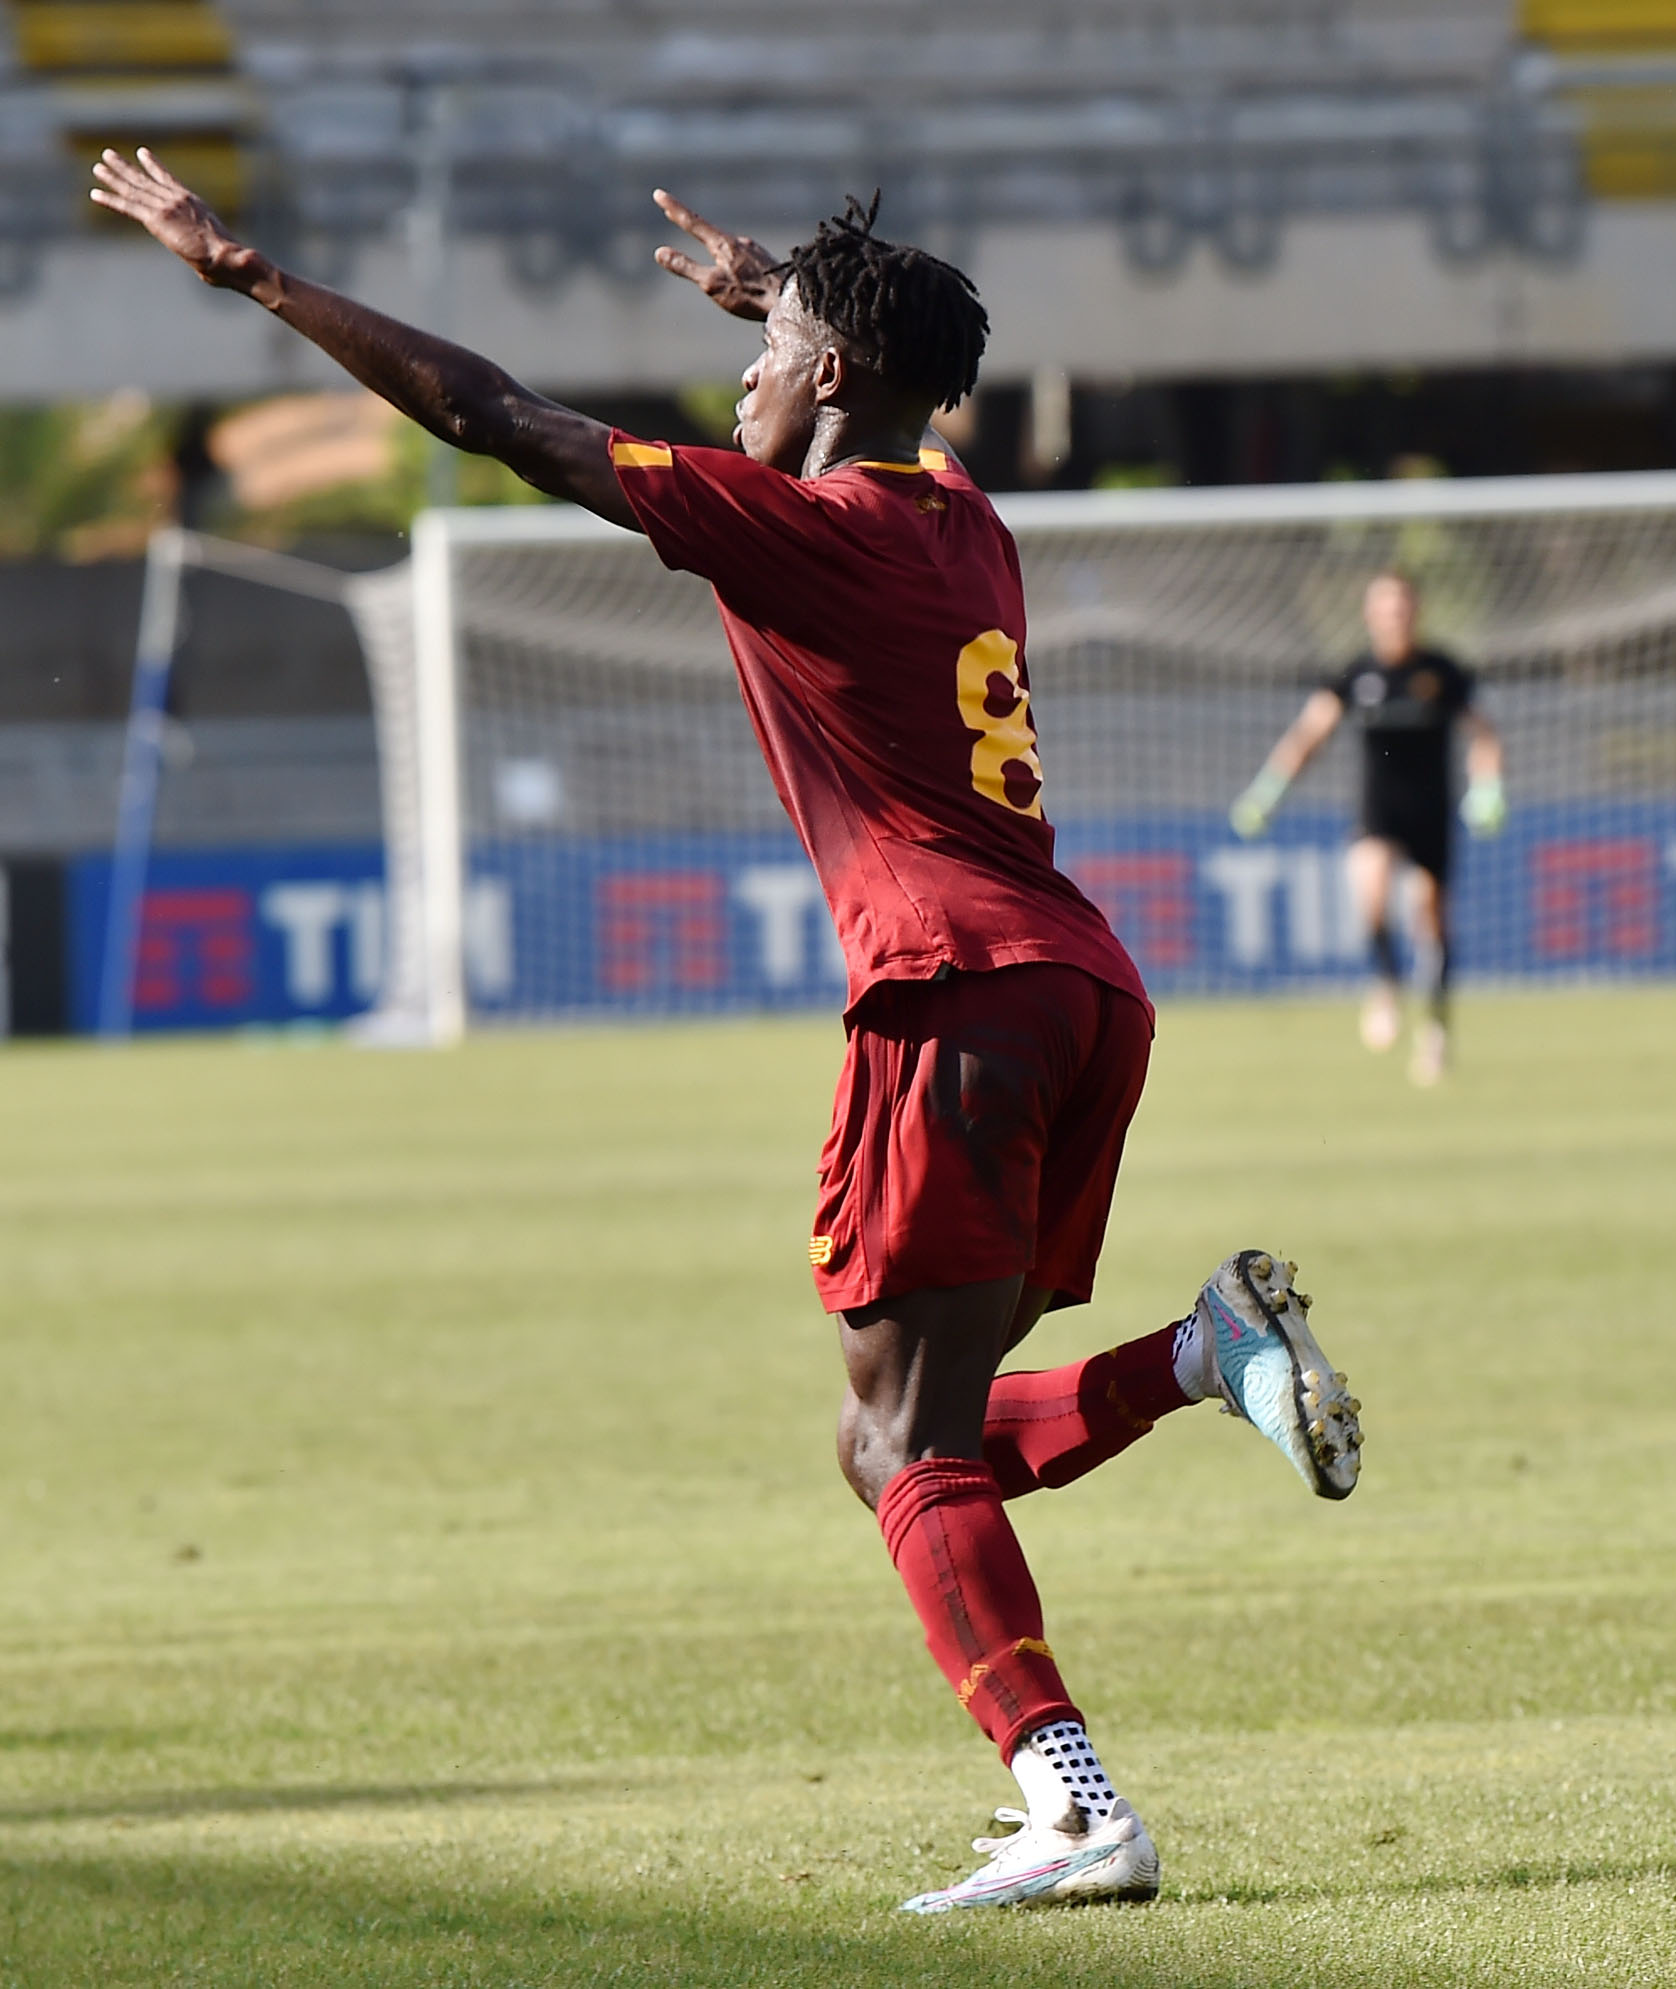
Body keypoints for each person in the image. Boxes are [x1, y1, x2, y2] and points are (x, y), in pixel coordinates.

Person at [90, 149, 1364, 1913]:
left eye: (767, 355)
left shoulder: (797, 527)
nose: (741, 380)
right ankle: (1197, 1356)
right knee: (899, 1434)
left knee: (906, 1439)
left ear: (833, 380)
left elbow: (493, 412)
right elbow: (872, 386)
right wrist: (791, 291)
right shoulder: (962, 520)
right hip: (1078, 984)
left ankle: (1075, 1800)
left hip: (952, 990)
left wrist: (250, 274)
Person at [1229, 572, 1504, 1086]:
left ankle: (1437, 1030)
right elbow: (1310, 734)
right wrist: (1268, 790)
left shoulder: (1441, 672)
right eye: (1385, 606)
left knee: (1430, 917)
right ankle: (1386, 986)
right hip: (1378, 813)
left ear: (1415, 611)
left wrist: (1487, 787)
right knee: (1371, 890)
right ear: (1370, 615)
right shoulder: (1356, 674)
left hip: (1431, 814)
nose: (1394, 615)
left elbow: (1483, 733)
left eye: (1402, 605)